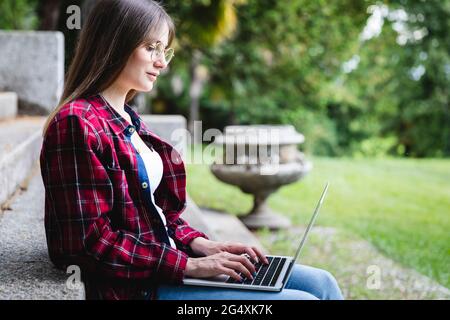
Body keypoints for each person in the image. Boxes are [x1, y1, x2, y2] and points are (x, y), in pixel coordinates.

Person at [40, 0, 343, 300]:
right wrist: (190, 266)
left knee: (323, 284)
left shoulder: (128, 118)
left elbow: (156, 215)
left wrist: (203, 245)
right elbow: (89, 245)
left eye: (164, 50)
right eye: (151, 48)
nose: (163, 62)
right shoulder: (77, 123)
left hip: (172, 267)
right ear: (114, 44)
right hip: (140, 287)